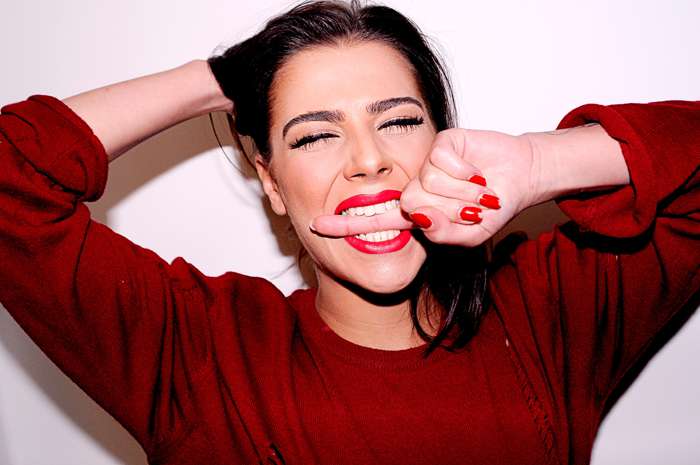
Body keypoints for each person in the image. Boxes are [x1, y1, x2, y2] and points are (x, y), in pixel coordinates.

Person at [0, 0, 697, 464]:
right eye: (314, 135)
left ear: (442, 139)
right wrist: (217, 79)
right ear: (271, 183)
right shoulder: (195, 351)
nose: (369, 161)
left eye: (399, 121)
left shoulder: (555, 307)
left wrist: (543, 163)